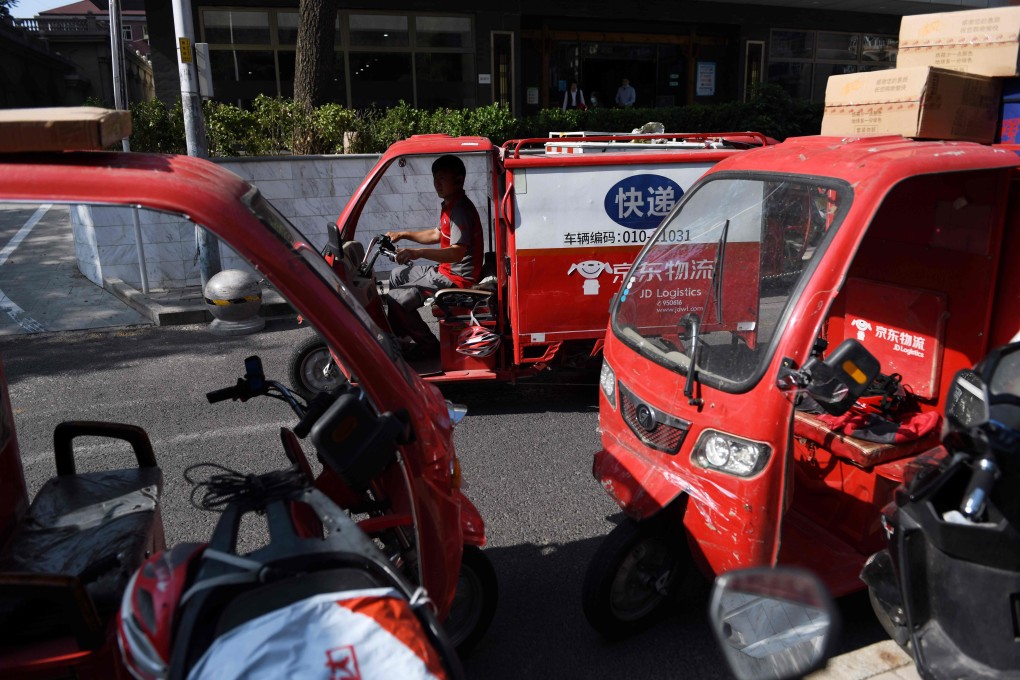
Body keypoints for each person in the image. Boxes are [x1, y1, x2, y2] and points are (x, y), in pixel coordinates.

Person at [384, 154, 483, 360]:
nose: (437, 184)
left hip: (456, 279)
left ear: (459, 180)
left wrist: (417, 253)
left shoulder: (460, 210)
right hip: (445, 271)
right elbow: (436, 234)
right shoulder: (450, 205)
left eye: (442, 179)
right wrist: (403, 234)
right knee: (397, 274)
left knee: (395, 300)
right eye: (435, 178)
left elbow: (456, 252)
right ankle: (400, 337)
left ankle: (429, 347)